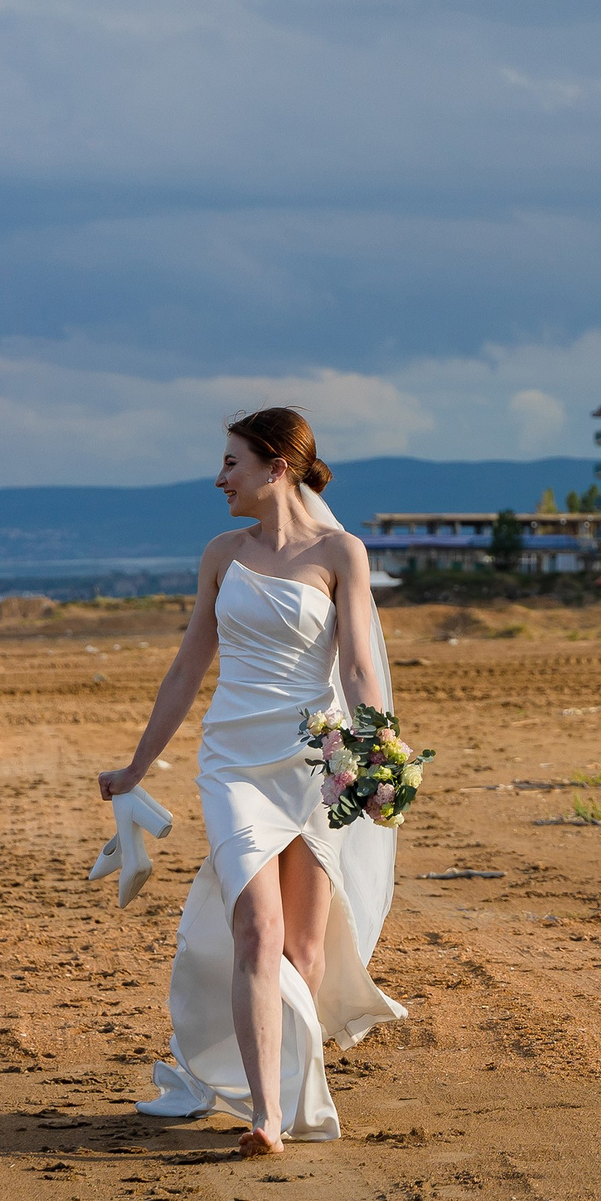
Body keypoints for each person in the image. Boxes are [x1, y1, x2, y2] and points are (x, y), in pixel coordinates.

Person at [97, 407, 407, 1155]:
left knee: (303, 949)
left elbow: (361, 667)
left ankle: (292, 1090)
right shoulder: (221, 555)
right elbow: (186, 668)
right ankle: (266, 1116)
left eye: (232, 463)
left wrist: (378, 756)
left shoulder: (342, 553)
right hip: (233, 762)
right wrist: (138, 765)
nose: (218, 477)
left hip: (316, 759)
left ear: (277, 467)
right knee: (257, 931)